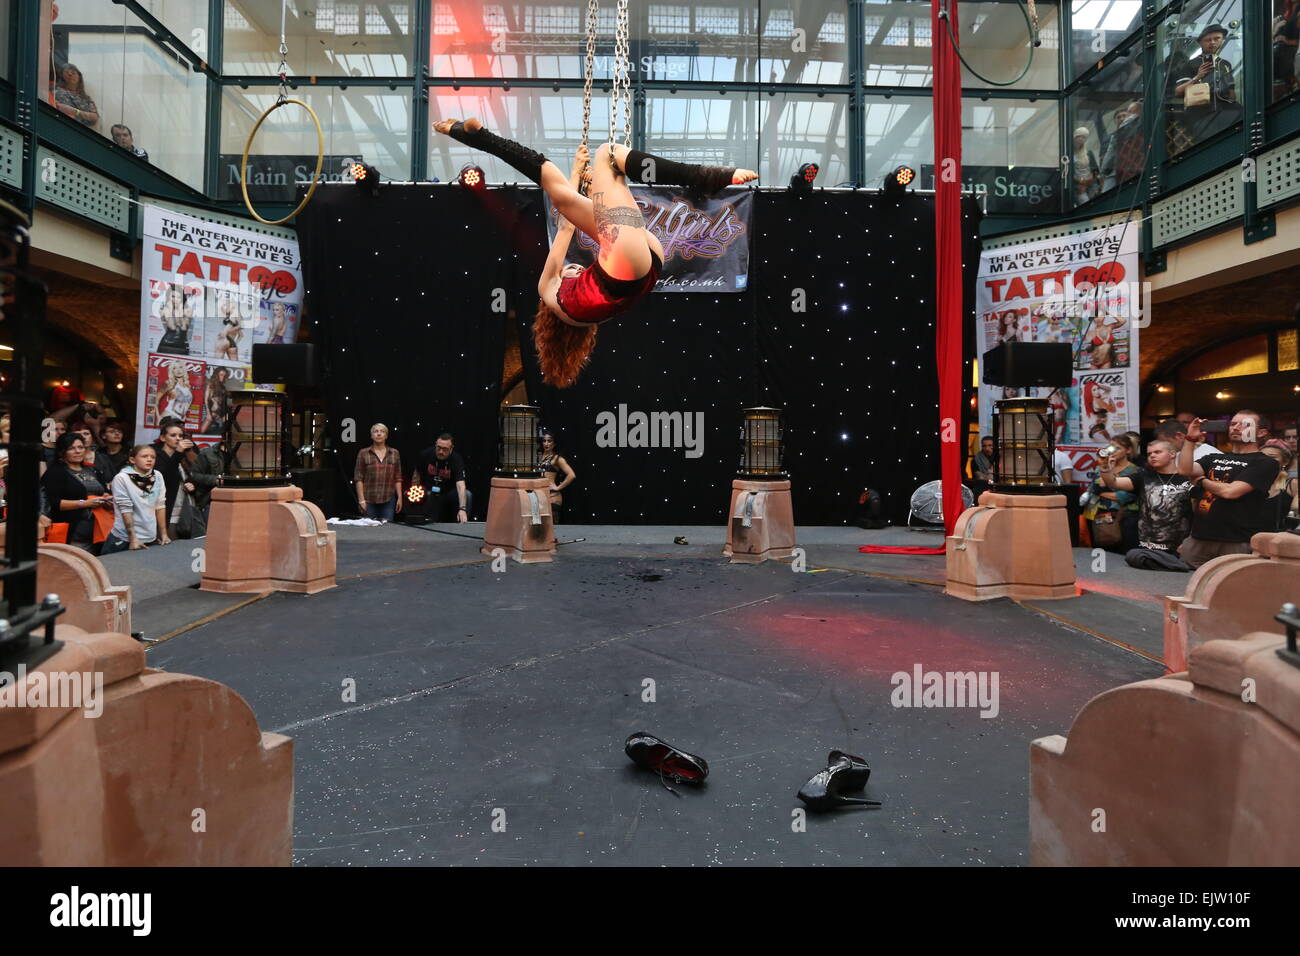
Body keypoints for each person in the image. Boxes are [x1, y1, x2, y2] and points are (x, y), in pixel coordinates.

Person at [434, 118, 757, 387]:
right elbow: (564, 230)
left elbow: (565, 215)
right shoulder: (549, 292)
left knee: (576, 186)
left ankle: (478, 136)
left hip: (642, 261)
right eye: (571, 272)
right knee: (606, 154)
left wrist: (578, 179)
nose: (572, 269)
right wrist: (579, 176)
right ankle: (707, 178)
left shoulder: (586, 312)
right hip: (624, 264)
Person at [1176, 410, 1278, 568]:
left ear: (1261, 432)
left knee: (1233, 588)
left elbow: (1230, 492)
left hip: (1236, 540)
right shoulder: (1214, 457)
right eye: (1233, 424)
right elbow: (1184, 470)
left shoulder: (1265, 462)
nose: (1236, 428)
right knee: (1186, 588)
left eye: (1245, 424)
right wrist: (1190, 439)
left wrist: (1202, 481)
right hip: (1199, 537)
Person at [1100, 438, 1195, 571]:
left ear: (1172, 454)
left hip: (1179, 546)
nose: (1152, 456)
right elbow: (1114, 483)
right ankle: (1171, 564)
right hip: (1148, 547)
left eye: (1157, 452)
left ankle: (1174, 564)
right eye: (1150, 454)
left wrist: (1190, 542)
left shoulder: (1187, 478)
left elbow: (1198, 512)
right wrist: (1105, 468)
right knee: (1133, 556)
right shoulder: (1143, 476)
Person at [40, 432, 112, 550]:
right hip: (74, 530)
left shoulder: (92, 469)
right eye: (71, 448)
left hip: (100, 527)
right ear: (61, 452)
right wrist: (85, 503)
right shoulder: (55, 472)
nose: (78, 451)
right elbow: (55, 503)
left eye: (80, 447)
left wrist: (107, 499)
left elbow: (102, 491)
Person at [1173, 25, 1239, 148]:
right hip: (1201, 114)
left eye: (1217, 38)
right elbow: (1178, 91)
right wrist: (1197, 77)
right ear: (1201, 43)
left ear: (1222, 40)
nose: (1213, 42)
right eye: (1208, 40)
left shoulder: (1225, 64)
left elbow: (1231, 92)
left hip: (1225, 112)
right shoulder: (1191, 64)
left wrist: (1232, 101)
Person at [101, 445, 170, 554]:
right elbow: (126, 509)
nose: (149, 459)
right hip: (124, 538)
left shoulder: (157, 475)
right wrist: (133, 539)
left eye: (153, 457)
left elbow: (160, 505)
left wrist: (163, 534)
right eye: (144, 456)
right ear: (132, 459)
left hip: (150, 537)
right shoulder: (122, 478)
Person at [1083, 433, 1140, 552]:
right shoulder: (1102, 467)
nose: (1113, 451)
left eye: (1117, 448)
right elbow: (1094, 487)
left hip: (1123, 515)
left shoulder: (1135, 470)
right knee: (1100, 549)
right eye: (1110, 447)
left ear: (1128, 450)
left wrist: (1102, 492)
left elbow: (1126, 496)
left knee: (1121, 550)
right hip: (1098, 513)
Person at [414, 433, 469, 522]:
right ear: (435, 444)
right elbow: (416, 474)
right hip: (429, 490)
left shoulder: (456, 459)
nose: (441, 452)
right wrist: (415, 493)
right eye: (438, 447)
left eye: (445, 449)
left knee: (468, 495)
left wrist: (463, 509)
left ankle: (463, 523)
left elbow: (460, 484)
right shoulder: (425, 454)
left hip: (448, 492)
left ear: (451, 449)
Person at [354, 423, 404, 521]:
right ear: (371, 435)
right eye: (376, 431)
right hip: (368, 500)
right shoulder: (363, 453)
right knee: (369, 531)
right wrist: (361, 500)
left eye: (382, 431)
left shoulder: (394, 453)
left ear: (386, 436)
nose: (379, 434)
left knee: (387, 531)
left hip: (388, 500)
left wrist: (400, 498)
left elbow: (398, 477)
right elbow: (358, 478)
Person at [152, 420, 194, 526]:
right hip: (159, 503)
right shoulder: (154, 454)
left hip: (180, 503)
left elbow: (193, 475)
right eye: (173, 435)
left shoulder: (185, 454)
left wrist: (191, 483)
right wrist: (178, 453)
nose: (178, 438)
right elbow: (163, 475)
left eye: (181, 435)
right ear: (162, 438)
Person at [1261, 439, 1298, 530]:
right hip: (1252, 538)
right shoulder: (1250, 484)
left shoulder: (1292, 484)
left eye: (1272, 457)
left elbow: (1296, 512)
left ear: (1285, 462)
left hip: (1281, 538)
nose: (1265, 460)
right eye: (1261, 457)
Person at [540, 430, 576, 524]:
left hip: (552, 497)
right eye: (544, 441)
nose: (546, 443)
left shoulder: (557, 458)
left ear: (554, 443)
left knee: (552, 528)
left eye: (549, 441)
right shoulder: (537, 457)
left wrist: (558, 487)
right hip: (539, 496)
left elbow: (571, 475)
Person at [53, 63, 99, 128]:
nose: (70, 74)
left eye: (73, 73)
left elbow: (95, 117)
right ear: (62, 76)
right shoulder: (56, 92)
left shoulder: (86, 98)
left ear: (79, 77)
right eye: (67, 72)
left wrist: (76, 112)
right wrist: (85, 115)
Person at [156, 283, 193, 355]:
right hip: (166, 345)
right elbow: (172, 326)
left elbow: (184, 327)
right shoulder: (164, 310)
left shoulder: (188, 310)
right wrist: (170, 308)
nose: (175, 299)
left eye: (178, 297)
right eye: (173, 296)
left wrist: (179, 309)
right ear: (168, 297)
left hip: (182, 346)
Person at [1072, 127, 1101, 204]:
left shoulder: (1088, 153)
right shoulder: (1068, 154)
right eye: (1078, 136)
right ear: (1074, 138)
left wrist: (1088, 181)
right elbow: (1068, 173)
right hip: (1078, 186)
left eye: (1083, 137)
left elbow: (1095, 170)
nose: (1081, 139)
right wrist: (1081, 182)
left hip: (1092, 184)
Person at [200, 367, 232, 434]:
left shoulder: (222, 386)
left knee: (215, 431)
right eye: (221, 375)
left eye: (224, 375)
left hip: (219, 413)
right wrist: (208, 414)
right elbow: (206, 400)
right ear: (216, 375)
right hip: (211, 412)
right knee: (202, 431)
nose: (222, 377)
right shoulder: (211, 384)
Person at [214, 294, 245, 360]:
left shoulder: (236, 313)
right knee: (235, 364)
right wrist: (235, 342)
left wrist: (229, 331)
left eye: (225, 305)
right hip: (230, 341)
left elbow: (242, 325)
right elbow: (241, 334)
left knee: (217, 362)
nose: (224, 307)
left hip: (224, 339)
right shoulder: (230, 315)